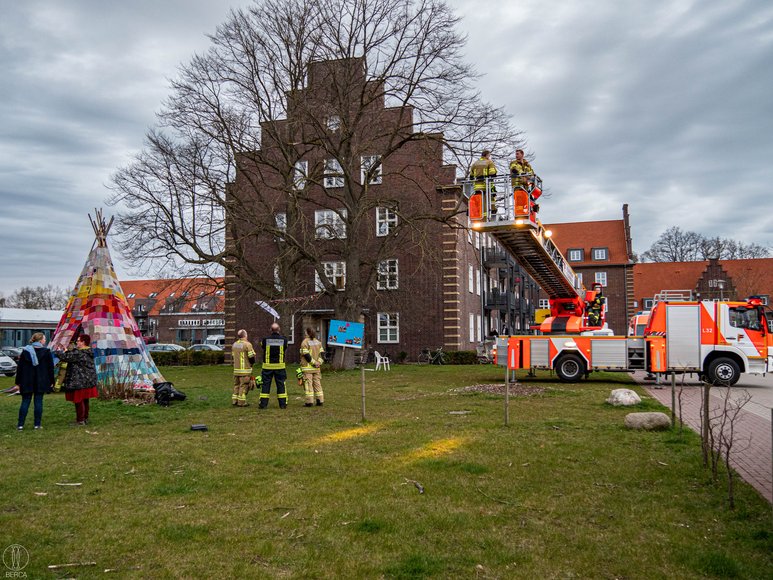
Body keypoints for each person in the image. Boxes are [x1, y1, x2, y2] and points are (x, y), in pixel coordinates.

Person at [55, 334, 98, 426]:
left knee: (78, 400)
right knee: (85, 400)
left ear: (83, 342)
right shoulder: (87, 351)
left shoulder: (79, 353)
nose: (77, 342)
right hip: (87, 380)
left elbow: (66, 358)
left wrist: (58, 351)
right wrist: (66, 351)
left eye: (78, 341)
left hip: (79, 380)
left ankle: (80, 420)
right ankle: (85, 418)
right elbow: (72, 357)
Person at [15, 332, 55, 430]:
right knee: (38, 402)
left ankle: (20, 425)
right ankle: (37, 425)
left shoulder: (25, 351)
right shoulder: (46, 352)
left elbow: (19, 368)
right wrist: (52, 380)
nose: (45, 341)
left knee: (25, 401)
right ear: (40, 340)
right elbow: (50, 368)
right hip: (41, 380)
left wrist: (18, 382)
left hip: (26, 380)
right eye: (44, 339)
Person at [260, 322, 288, 409]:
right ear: (279, 330)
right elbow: (285, 347)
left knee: (265, 385)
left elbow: (262, 346)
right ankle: (282, 404)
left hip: (267, 367)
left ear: (270, 330)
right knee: (281, 385)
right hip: (280, 366)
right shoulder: (284, 340)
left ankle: (263, 404)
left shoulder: (265, 340)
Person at [299, 328, 325, 407]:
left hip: (308, 368)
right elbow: (322, 355)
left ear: (306, 333)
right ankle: (320, 400)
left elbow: (307, 356)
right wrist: (319, 363)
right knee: (317, 384)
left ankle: (309, 402)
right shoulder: (318, 342)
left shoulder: (305, 342)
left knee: (308, 384)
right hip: (317, 368)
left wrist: (314, 363)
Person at [231, 329, 256, 407]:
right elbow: (251, 357)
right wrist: (252, 364)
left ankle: (234, 400)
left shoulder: (234, 344)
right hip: (245, 370)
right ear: (245, 335)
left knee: (236, 385)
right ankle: (241, 402)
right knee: (244, 386)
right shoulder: (247, 344)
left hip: (236, 370)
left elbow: (233, 356)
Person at [470, 150, 498, 215]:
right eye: (489, 155)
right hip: (486, 185)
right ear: (487, 155)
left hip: (477, 187)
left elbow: (471, 176)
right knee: (490, 198)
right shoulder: (489, 162)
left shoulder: (475, 163)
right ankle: (492, 210)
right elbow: (492, 173)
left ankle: (478, 213)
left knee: (479, 201)